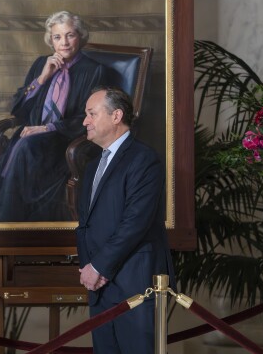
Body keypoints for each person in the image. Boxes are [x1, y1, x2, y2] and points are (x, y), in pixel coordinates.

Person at [76, 87, 174, 354]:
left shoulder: (144, 159)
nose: (85, 121)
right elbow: (85, 223)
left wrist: (98, 267)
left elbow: (135, 222)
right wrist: (90, 271)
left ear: (116, 115)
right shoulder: (93, 164)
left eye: (92, 114)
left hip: (135, 283)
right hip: (99, 286)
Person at [0, 10, 108, 221]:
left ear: (80, 37)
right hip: (32, 136)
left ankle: (9, 225)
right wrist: (43, 77)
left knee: (25, 148)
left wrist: (47, 128)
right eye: (57, 37)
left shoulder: (94, 71)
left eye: (70, 35)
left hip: (63, 140)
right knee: (10, 156)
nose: (63, 42)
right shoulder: (40, 64)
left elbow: (91, 117)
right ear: (51, 40)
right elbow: (18, 109)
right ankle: (5, 227)